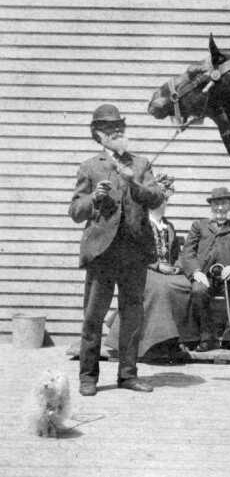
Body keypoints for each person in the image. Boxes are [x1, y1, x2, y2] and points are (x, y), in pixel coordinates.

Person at [69, 103, 164, 396]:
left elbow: (156, 197)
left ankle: (128, 375)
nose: (117, 132)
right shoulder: (90, 166)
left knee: (132, 317)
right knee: (93, 317)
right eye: (110, 129)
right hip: (102, 253)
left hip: (134, 252)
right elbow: (75, 210)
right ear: (98, 135)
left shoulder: (140, 164)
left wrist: (132, 180)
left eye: (120, 127)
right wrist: (94, 199)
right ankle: (88, 377)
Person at [105, 174, 199, 362]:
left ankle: (173, 339)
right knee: (160, 288)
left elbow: (175, 254)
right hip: (142, 269)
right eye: (158, 200)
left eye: (165, 201)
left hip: (167, 272)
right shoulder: (139, 223)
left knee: (186, 286)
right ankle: (152, 344)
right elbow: (133, 251)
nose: (162, 204)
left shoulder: (168, 226)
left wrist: (177, 267)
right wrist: (157, 266)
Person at [180, 187, 230, 352]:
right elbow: (188, 252)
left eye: (224, 203)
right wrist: (195, 271)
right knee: (198, 292)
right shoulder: (199, 226)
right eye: (216, 204)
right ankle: (207, 338)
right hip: (204, 276)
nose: (220, 208)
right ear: (211, 206)